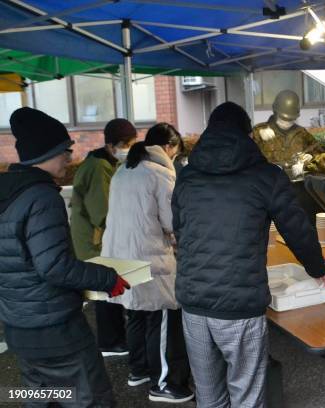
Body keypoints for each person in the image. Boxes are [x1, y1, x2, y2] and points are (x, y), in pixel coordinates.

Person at [172, 102, 325, 408]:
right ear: (247, 135)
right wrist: (316, 268)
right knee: (246, 397)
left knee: (209, 397)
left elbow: (180, 229)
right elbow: (296, 228)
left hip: (193, 304)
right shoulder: (266, 175)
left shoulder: (187, 175)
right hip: (239, 307)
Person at [0, 107, 130, 407]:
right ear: (50, 151)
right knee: (88, 398)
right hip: (58, 331)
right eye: (66, 151)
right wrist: (108, 278)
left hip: (19, 328)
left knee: (42, 397)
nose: (69, 158)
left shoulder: (8, 193)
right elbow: (55, 266)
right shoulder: (42, 196)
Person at [102, 123, 193, 403]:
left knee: (137, 314)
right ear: (169, 147)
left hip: (120, 256)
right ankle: (163, 383)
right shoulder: (160, 174)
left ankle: (139, 370)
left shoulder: (124, 170)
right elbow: (171, 223)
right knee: (162, 316)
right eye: (175, 152)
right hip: (148, 256)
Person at [71, 118, 137, 357]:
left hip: (92, 238)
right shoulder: (99, 167)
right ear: (112, 146)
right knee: (104, 289)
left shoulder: (101, 163)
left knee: (106, 288)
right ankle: (110, 342)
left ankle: (113, 339)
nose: (129, 149)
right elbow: (103, 212)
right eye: (127, 144)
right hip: (94, 240)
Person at [252, 89, 322, 176]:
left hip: (296, 184)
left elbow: (319, 152)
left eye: (290, 119)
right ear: (275, 112)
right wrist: (257, 137)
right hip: (269, 183)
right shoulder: (258, 131)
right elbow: (244, 157)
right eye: (283, 118)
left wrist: (310, 158)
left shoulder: (301, 133)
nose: (286, 123)